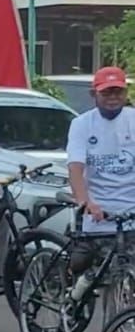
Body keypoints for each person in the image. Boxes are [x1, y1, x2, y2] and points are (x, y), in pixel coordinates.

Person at [65, 66, 135, 279]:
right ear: (94, 94)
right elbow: (76, 168)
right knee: (85, 270)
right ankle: (70, 300)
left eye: (118, 92)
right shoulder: (82, 124)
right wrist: (85, 201)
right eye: (107, 92)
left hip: (130, 212)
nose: (113, 98)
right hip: (97, 214)